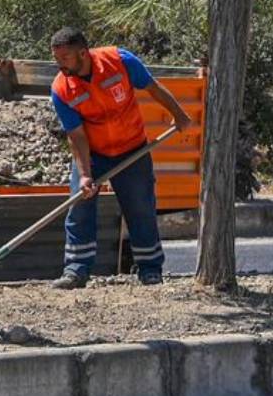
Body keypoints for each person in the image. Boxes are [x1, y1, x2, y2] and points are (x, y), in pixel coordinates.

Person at [48, 26, 193, 288]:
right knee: (79, 206)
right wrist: (85, 176)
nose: (60, 65)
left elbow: (153, 87)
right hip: (93, 154)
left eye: (65, 58)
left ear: (83, 53)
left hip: (132, 149)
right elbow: (76, 135)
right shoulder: (61, 88)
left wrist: (178, 114)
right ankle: (76, 270)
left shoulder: (119, 61)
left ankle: (150, 269)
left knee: (140, 207)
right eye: (56, 59)